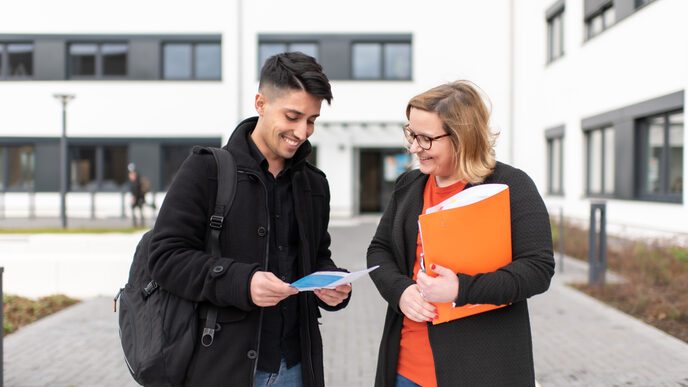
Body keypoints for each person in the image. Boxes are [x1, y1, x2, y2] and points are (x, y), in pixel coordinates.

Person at [148, 52, 352, 387]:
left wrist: (330, 283)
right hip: (222, 368)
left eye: (312, 120)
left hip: (297, 368)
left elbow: (316, 256)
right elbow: (165, 258)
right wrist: (241, 282)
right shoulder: (206, 170)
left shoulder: (314, 184)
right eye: (292, 116)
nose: (302, 132)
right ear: (260, 102)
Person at [367, 80, 555, 387]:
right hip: (405, 370)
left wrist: (460, 290)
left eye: (426, 138)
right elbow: (379, 250)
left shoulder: (511, 186)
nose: (414, 147)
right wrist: (401, 291)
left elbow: (538, 270)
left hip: (482, 370)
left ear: (462, 137)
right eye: (411, 134)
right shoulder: (408, 186)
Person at [127, 163, 145, 227]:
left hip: (138, 197)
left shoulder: (135, 182)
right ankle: (139, 222)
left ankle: (137, 223)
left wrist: (134, 198)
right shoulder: (137, 180)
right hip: (140, 197)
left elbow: (135, 190)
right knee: (139, 209)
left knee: (136, 209)